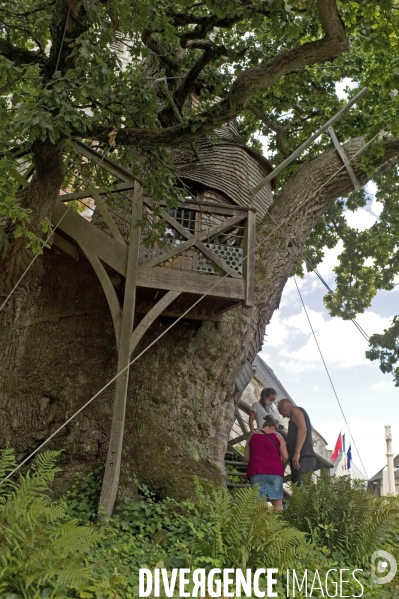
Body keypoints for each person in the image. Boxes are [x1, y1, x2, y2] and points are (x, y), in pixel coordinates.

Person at [244, 414, 289, 511]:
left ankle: (262, 525)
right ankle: (276, 525)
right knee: (277, 503)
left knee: (260, 504)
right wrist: (282, 468)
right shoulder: (278, 436)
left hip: (256, 471)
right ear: (273, 427)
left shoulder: (252, 436)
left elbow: (246, 458)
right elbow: (285, 457)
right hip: (275, 472)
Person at [277, 398, 316, 486]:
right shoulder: (300, 413)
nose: (283, 416)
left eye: (281, 412)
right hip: (303, 458)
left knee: (300, 489)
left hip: (302, 457)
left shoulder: (295, 411)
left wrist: (297, 452)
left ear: (284, 405)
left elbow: (303, 429)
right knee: (299, 488)